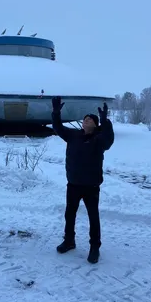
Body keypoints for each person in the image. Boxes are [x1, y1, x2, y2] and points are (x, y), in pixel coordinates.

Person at [51, 97, 114, 264]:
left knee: (93, 217)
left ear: (94, 124)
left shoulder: (99, 139)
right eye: (85, 119)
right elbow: (57, 128)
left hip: (91, 186)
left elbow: (109, 140)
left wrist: (105, 121)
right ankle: (69, 241)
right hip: (73, 184)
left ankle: (95, 248)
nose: (86, 120)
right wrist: (56, 113)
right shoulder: (73, 135)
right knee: (69, 214)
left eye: (90, 119)